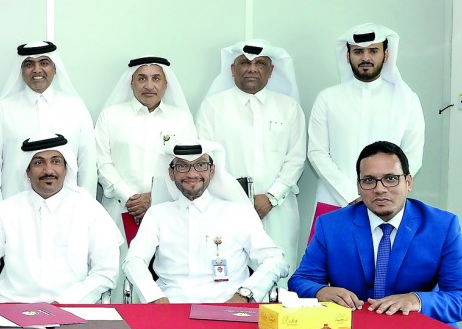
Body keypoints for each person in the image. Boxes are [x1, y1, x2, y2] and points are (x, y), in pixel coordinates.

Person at [289, 141, 462, 325]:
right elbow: (300, 281)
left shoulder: (442, 226)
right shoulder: (331, 225)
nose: (380, 189)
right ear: (358, 186)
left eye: (390, 179)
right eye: (369, 180)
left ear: (409, 182)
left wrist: (417, 301)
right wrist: (320, 291)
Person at [0, 135, 121, 305]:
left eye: (56, 161)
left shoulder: (89, 209)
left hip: (72, 310)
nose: (48, 170)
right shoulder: (5, 210)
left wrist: (64, 303)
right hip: (10, 310)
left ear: (66, 168)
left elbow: (105, 271)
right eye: (39, 163)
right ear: (27, 170)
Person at [124, 141, 288, 304]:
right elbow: (134, 260)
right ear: (171, 173)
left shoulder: (239, 213)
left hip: (229, 306)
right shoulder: (158, 214)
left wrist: (246, 294)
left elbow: (274, 259)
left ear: (212, 170)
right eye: (182, 166)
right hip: (172, 306)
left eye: (200, 165)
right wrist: (154, 296)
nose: (192, 174)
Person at [196, 41, 306, 274]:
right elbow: (206, 160)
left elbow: (296, 158)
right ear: (233, 69)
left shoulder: (289, 107)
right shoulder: (212, 107)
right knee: (229, 274)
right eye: (245, 63)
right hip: (226, 206)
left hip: (278, 208)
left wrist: (272, 197)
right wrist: (237, 199)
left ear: (271, 71)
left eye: (260, 63)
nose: (252, 69)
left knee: (279, 273)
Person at [94, 56, 196, 300]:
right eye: (142, 78)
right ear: (131, 83)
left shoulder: (181, 119)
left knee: (163, 275)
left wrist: (154, 198)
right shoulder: (110, 116)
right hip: (119, 210)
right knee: (118, 275)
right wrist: (130, 198)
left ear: (165, 84)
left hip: (166, 209)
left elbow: (187, 165)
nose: (148, 85)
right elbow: (101, 161)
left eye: (156, 78)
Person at [308, 23, 424, 209]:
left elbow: (413, 154)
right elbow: (317, 153)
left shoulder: (407, 100)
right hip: (335, 201)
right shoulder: (328, 98)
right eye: (358, 52)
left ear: (386, 54)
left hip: (386, 202)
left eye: (373, 51)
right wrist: (350, 194)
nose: (365, 57)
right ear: (347, 56)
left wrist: (380, 190)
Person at [0, 42, 96, 215]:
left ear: (54, 68)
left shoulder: (75, 106)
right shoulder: (2, 109)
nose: (36, 70)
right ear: (21, 70)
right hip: (16, 210)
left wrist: (87, 209)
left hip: (68, 210)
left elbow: (87, 163)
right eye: (29, 64)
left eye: (44, 63)